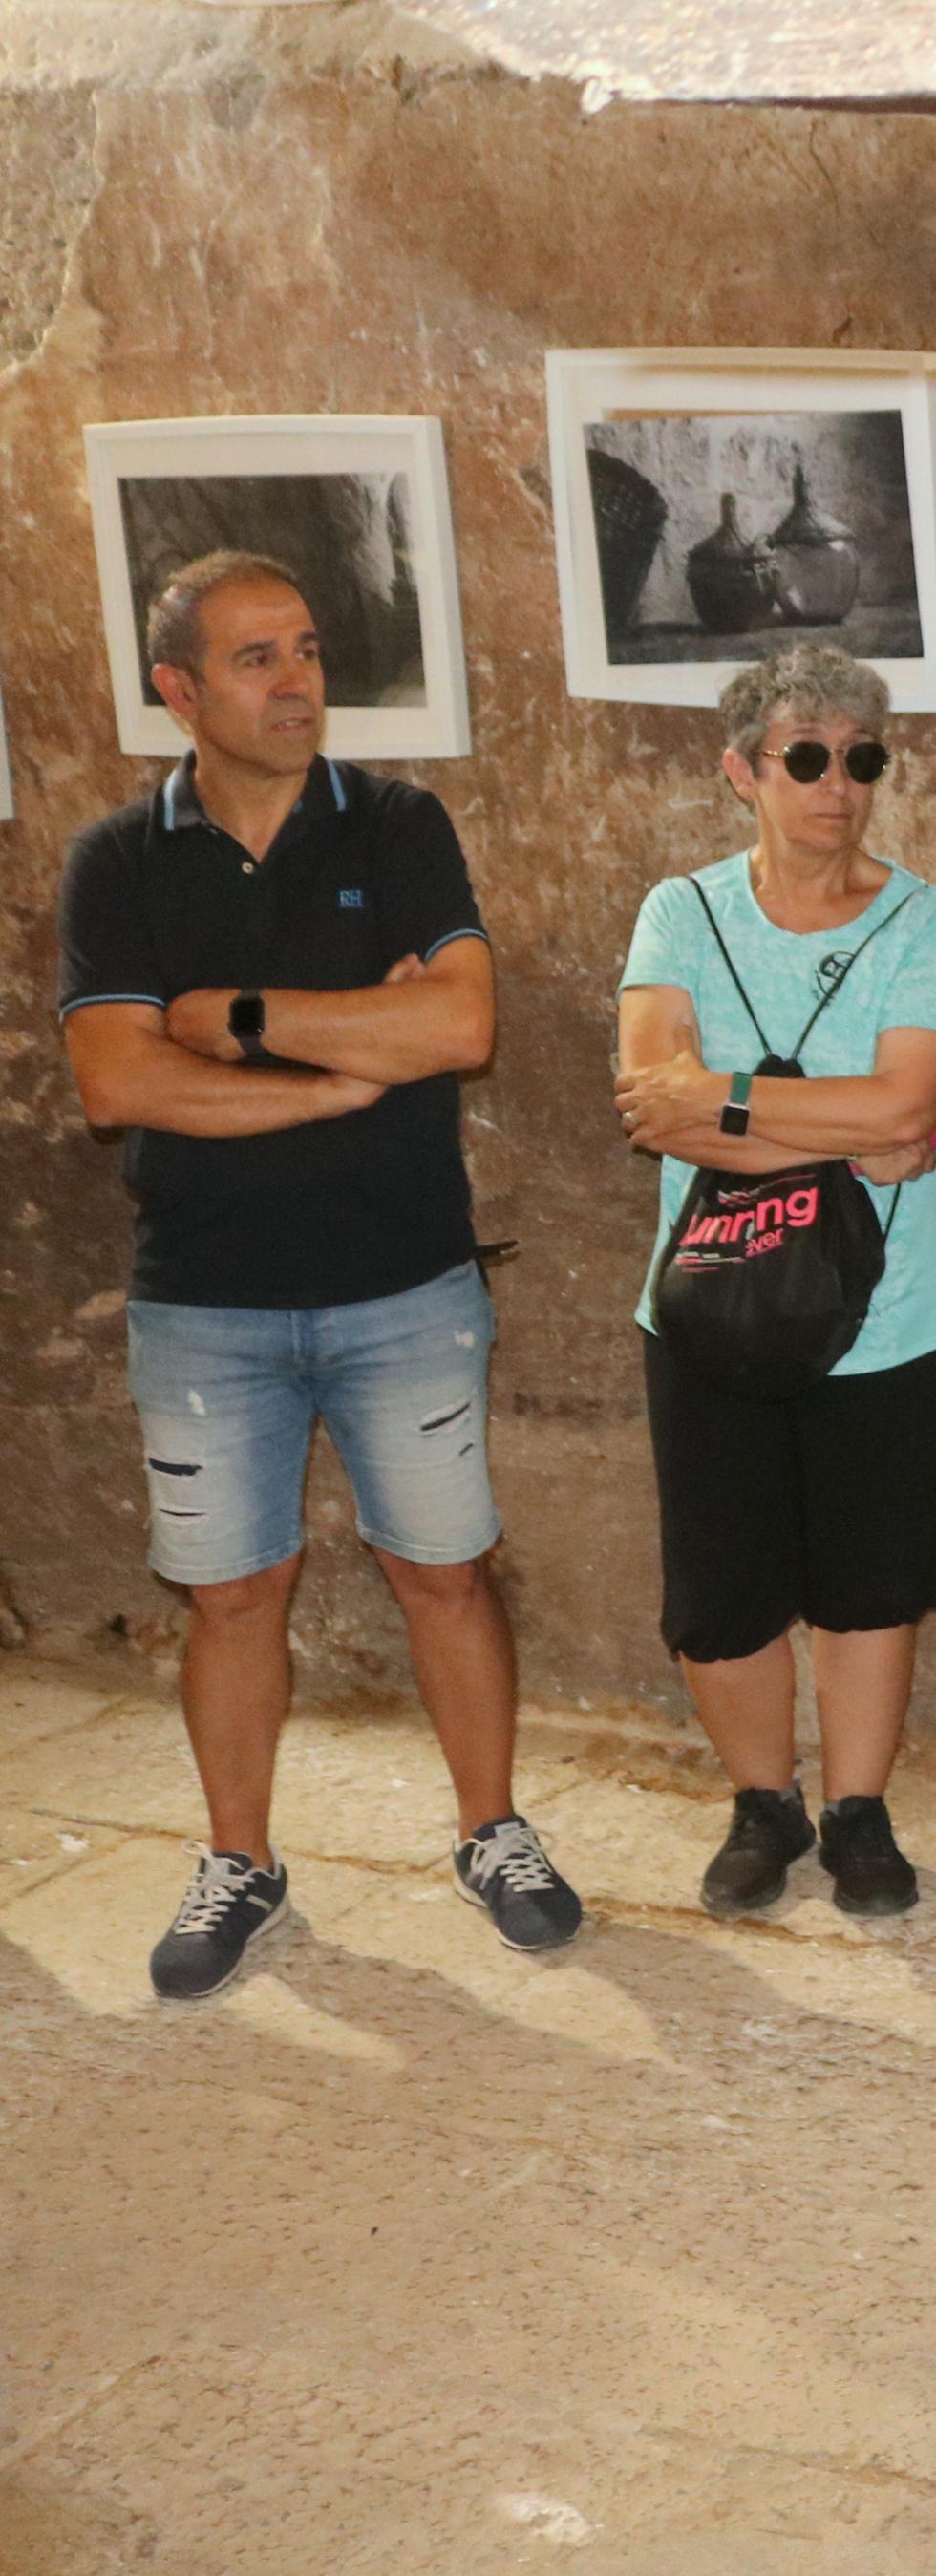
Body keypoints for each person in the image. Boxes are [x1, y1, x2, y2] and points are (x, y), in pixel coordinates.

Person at [55, 550, 583, 2000]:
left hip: (402, 1281)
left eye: (305, 651)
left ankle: (491, 1830)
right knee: (232, 1592)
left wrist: (227, 1022)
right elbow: (112, 1079)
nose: (298, 682)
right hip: (202, 1301)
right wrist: (334, 1071)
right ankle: (243, 1860)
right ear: (177, 690)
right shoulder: (116, 859)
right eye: (255, 659)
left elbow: (460, 1025)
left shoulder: (401, 823)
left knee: (445, 1571)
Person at [613, 646, 936, 1920]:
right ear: (742, 771)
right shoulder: (681, 913)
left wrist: (731, 1101)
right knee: (720, 1589)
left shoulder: (925, 920)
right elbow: (654, 1106)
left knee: (871, 1577)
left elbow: (912, 1099)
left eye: (863, 759)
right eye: (807, 757)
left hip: (887, 1311)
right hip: (711, 1302)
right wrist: (843, 1126)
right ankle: (762, 1802)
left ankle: (858, 1809)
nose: (839, 784)